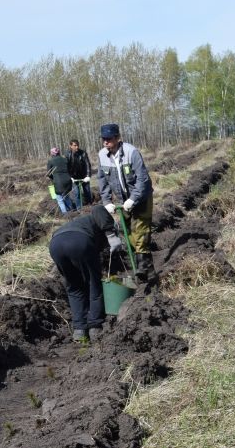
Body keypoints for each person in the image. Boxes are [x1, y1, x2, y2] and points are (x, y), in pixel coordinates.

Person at [49, 206, 123, 342]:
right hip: (80, 242)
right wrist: (112, 235)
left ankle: (79, 330)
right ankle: (95, 325)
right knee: (94, 283)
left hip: (55, 245)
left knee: (74, 287)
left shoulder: (80, 223)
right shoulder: (101, 220)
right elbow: (98, 208)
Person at [96, 123, 156, 284]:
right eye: (104, 139)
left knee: (141, 231)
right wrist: (107, 200)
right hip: (123, 201)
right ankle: (145, 267)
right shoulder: (102, 155)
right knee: (128, 233)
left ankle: (143, 270)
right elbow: (102, 180)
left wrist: (133, 198)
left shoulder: (131, 152)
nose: (105, 142)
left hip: (141, 197)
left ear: (117, 138)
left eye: (109, 139)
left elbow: (142, 179)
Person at [47, 147, 76, 215]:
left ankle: (65, 213)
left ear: (52, 153)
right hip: (68, 180)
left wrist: (53, 178)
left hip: (58, 181)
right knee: (66, 196)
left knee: (60, 199)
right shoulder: (65, 159)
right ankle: (72, 211)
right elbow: (70, 169)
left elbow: (48, 173)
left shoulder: (50, 161)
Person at [66, 139, 93, 206]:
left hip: (83, 176)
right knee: (77, 193)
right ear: (71, 146)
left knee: (87, 191)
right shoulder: (68, 154)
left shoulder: (83, 153)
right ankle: (79, 208)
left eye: (77, 145)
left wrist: (88, 175)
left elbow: (87, 164)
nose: (77, 147)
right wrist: (70, 177)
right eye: (75, 145)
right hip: (74, 177)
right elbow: (66, 167)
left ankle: (90, 205)